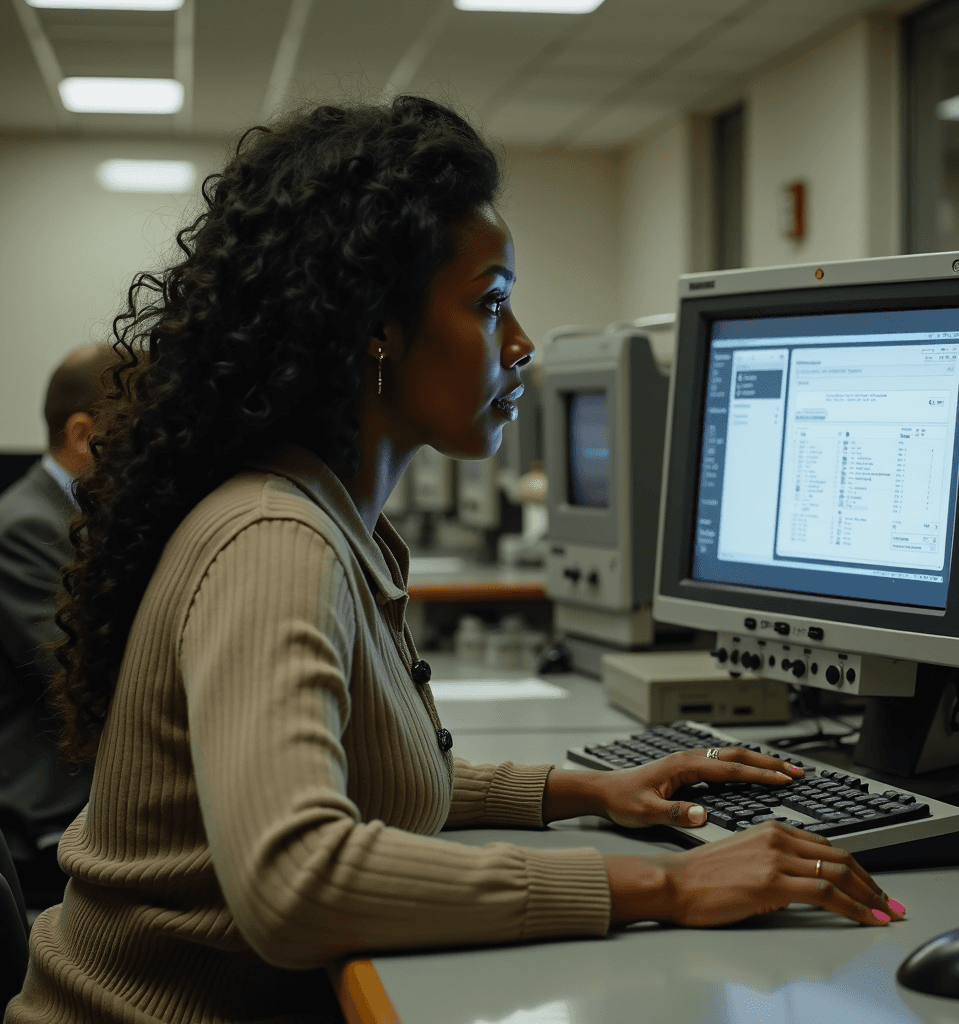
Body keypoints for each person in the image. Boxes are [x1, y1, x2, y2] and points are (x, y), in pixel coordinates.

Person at [5, 97, 903, 1024]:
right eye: (491, 304)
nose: (521, 346)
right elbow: (298, 880)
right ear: (374, 330)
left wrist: (580, 791)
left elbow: (368, 778)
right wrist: (662, 887)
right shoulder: (274, 543)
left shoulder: (316, 519)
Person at [0, 344, 114, 908]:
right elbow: (85, 676)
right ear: (80, 435)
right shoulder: (25, 528)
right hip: (53, 808)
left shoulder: (84, 518)